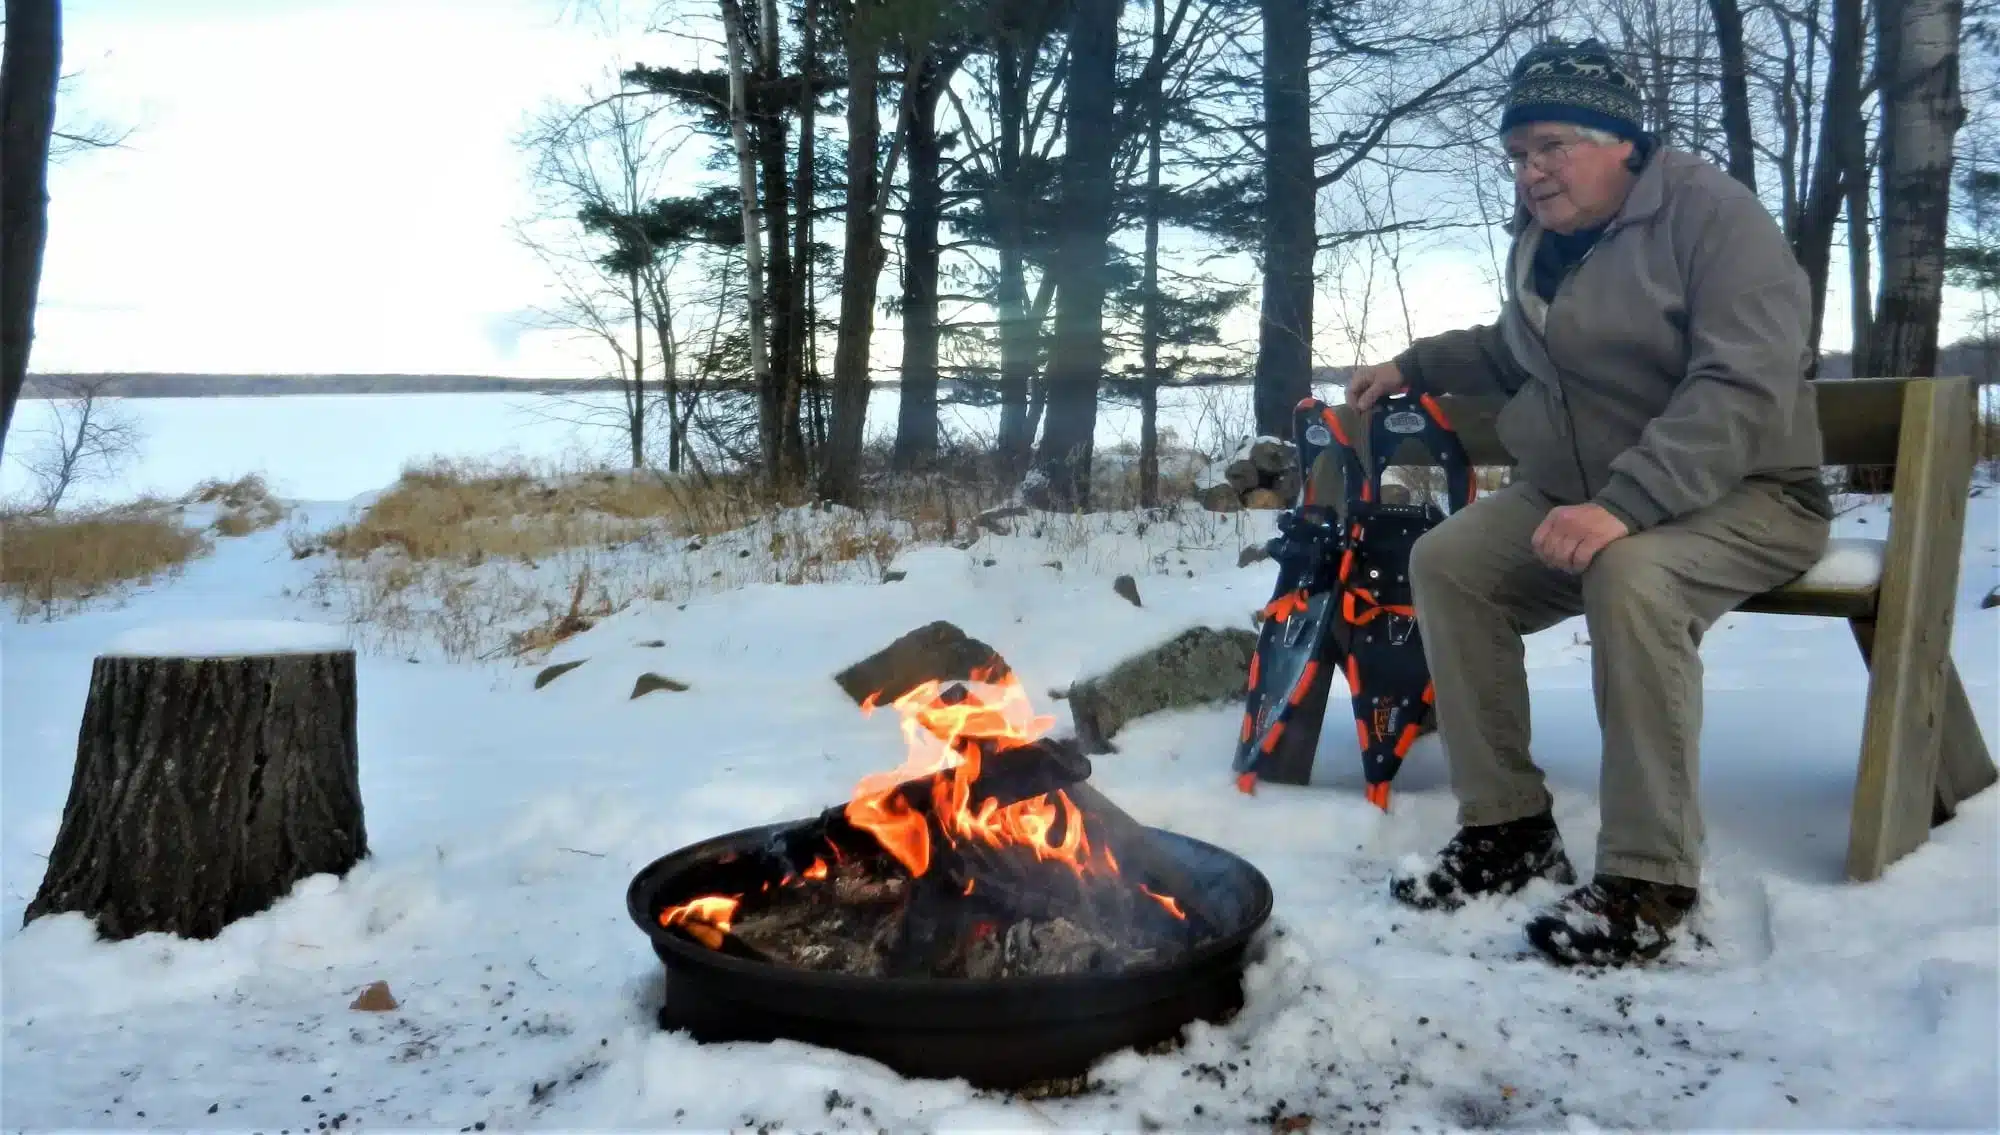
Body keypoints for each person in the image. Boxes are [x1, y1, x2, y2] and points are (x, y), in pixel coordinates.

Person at [1346, 38, 1832, 967]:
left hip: (1745, 493)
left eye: (1551, 148)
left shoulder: (1712, 217)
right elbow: (1514, 349)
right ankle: (1508, 827)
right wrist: (1414, 364)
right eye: (1519, 154)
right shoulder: (1548, 243)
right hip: (1583, 494)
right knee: (1450, 564)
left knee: (1632, 574)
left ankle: (1651, 877)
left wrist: (1626, 503)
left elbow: (1743, 380)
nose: (1531, 172)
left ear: (1620, 141)